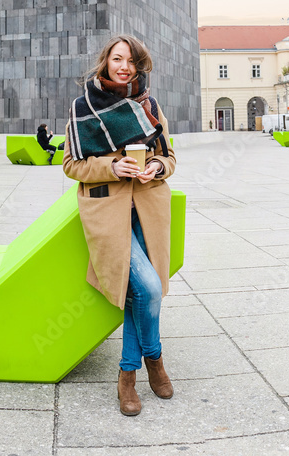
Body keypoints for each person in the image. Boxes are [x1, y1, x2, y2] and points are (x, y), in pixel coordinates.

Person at [62, 35, 176, 417]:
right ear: (106, 62)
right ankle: (152, 361)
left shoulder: (150, 105)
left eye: (131, 60)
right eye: (117, 59)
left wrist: (157, 167)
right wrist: (111, 167)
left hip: (148, 205)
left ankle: (127, 377)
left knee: (138, 294)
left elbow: (170, 157)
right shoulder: (83, 107)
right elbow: (71, 165)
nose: (124, 66)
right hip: (107, 209)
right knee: (147, 287)